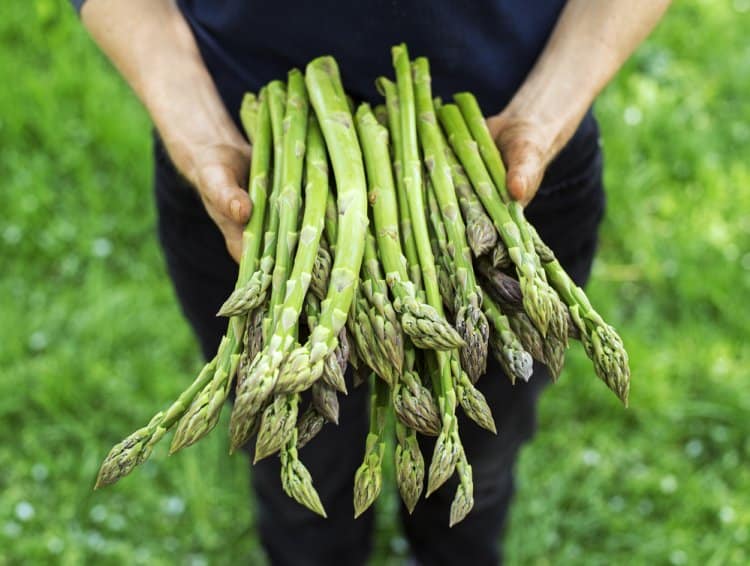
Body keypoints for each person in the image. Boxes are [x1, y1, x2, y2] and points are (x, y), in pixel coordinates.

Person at [71, 1, 669, 564]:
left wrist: (547, 112)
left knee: (475, 465)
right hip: (253, 172)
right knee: (298, 474)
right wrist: (194, 125)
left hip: (501, 165)